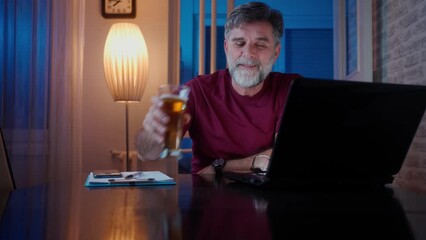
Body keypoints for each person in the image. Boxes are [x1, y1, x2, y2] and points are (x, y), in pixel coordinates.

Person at [136, 2, 301, 174]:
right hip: (208, 195)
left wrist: (218, 168)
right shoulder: (198, 91)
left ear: (275, 53)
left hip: (270, 197)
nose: (249, 53)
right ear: (226, 47)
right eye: (239, 43)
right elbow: (146, 154)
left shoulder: (292, 89)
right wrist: (151, 133)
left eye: (260, 45)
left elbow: (288, 157)